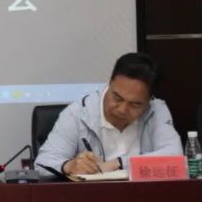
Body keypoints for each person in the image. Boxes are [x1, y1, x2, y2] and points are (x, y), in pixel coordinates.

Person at [35, 52, 182, 177]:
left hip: (142, 196)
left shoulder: (156, 109)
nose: (122, 109)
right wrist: (69, 166)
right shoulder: (78, 114)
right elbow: (42, 163)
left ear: (149, 101)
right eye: (117, 97)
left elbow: (175, 156)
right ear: (110, 83)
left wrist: (118, 164)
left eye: (134, 104)